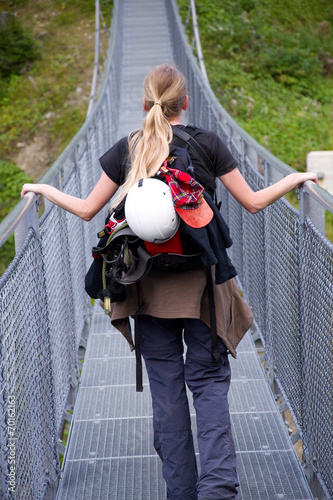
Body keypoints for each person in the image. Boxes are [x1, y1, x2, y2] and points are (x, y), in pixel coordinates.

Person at [21, 63, 318, 500]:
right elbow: (252, 203)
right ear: (187, 103)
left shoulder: (128, 148)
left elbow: (87, 210)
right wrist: (292, 179)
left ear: (145, 105)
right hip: (204, 288)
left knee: (167, 393)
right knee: (210, 384)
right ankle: (217, 489)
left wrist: (43, 189)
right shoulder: (207, 143)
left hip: (146, 292)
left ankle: (180, 491)